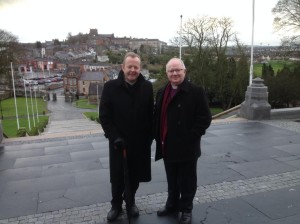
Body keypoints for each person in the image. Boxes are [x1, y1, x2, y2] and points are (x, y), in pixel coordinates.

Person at [154, 57, 212, 224]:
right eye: (171, 71)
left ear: (184, 72)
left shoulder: (196, 91)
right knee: (171, 179)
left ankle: (186, 209)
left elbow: (205, 118)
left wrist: (192, 136)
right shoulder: (161, 91)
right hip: (167, 144)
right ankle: (172, 204)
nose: (175, 73)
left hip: (187, 146)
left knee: (187, 180)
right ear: (167, 73)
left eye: (178, 70)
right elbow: (157, 117)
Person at [99, 52, 153, 222]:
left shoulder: (147, 87)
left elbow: (150, 114)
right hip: (118, 142)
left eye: (136, 67)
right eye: (129, 66)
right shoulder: (110, 87)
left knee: (135, 175)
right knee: (118, 176)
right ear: (123, 67)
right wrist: (114, 137)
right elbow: (104, 116)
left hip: (140, 142)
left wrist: (149, 136)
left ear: (140, 68)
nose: (132, 70)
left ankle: (130, 202)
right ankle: (116, 205)